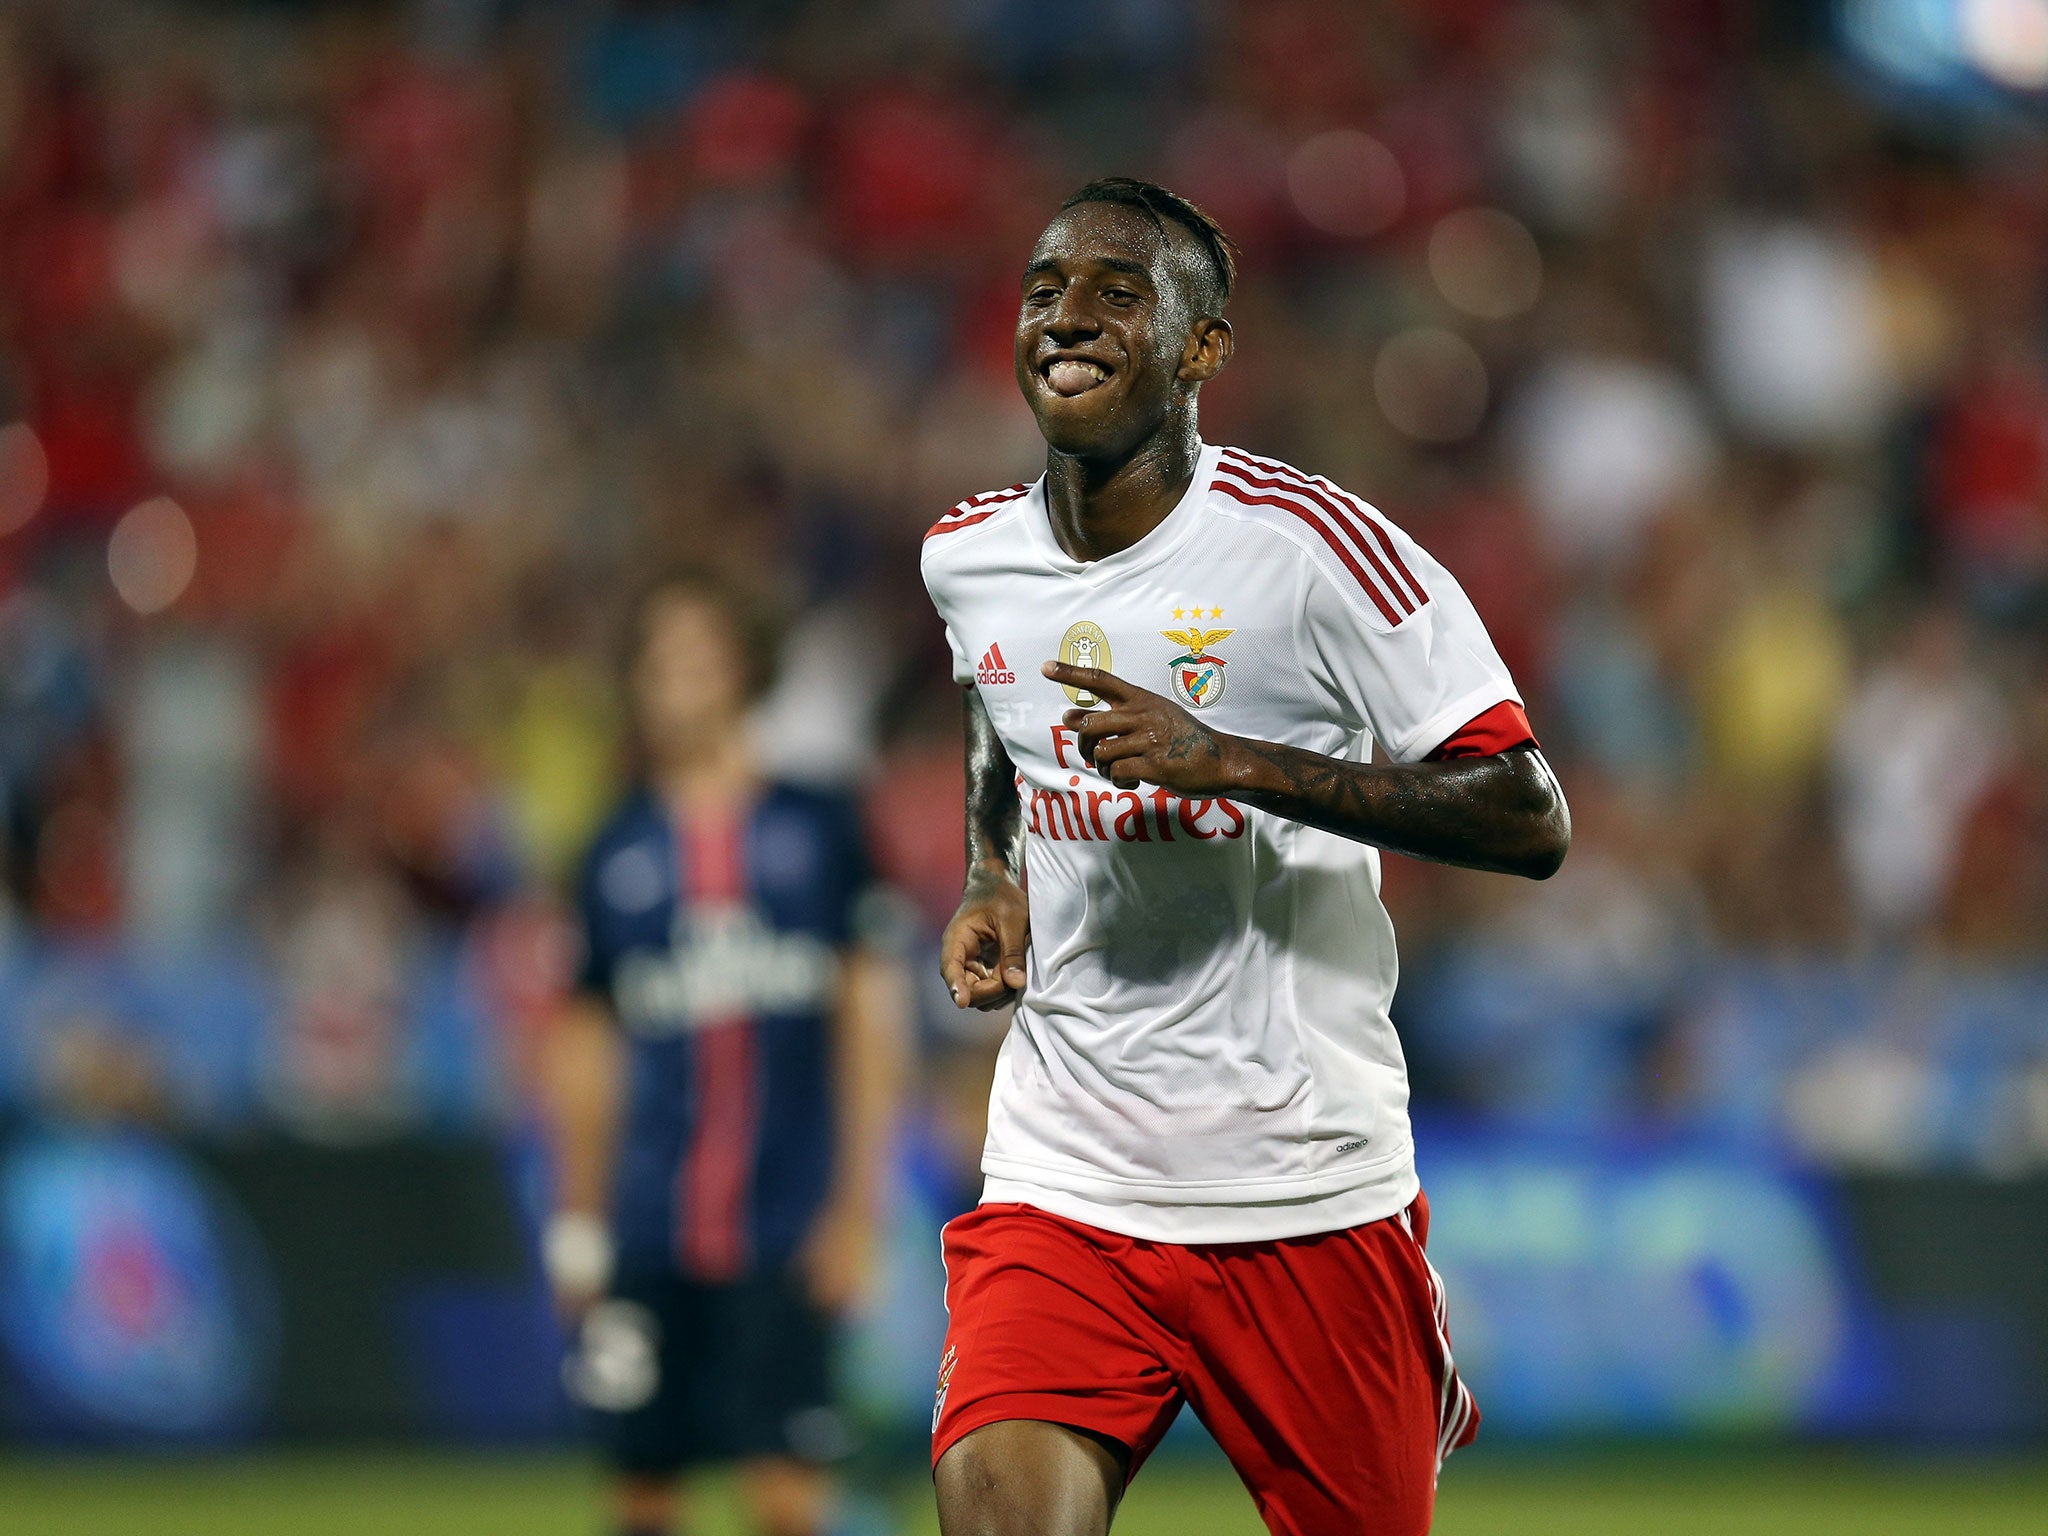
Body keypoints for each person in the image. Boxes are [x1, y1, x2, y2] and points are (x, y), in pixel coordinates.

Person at [919, 178, 1571, 1536]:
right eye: (1046, 288)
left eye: (1117, 290)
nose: (1069, 316)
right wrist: (994, 869)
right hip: (1068, 1176)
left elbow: (1527, 811)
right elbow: (996, 697)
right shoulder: (969, 553)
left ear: (1204, 348)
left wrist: (1241, 762)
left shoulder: (1314, 553)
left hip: (1303, 1188)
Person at [541, 571, 904, 1536]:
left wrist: (858, 1208)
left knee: (784, 1496)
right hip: (648, 1227)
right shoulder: (611, 848)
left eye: (697, 657)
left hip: (784, 1226)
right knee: (640, 1491)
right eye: (657, 663)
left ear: (746, 669)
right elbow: (585, 1045)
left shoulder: (818, 826)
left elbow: (870, 1020)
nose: (676, 683)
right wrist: (577, 1222)